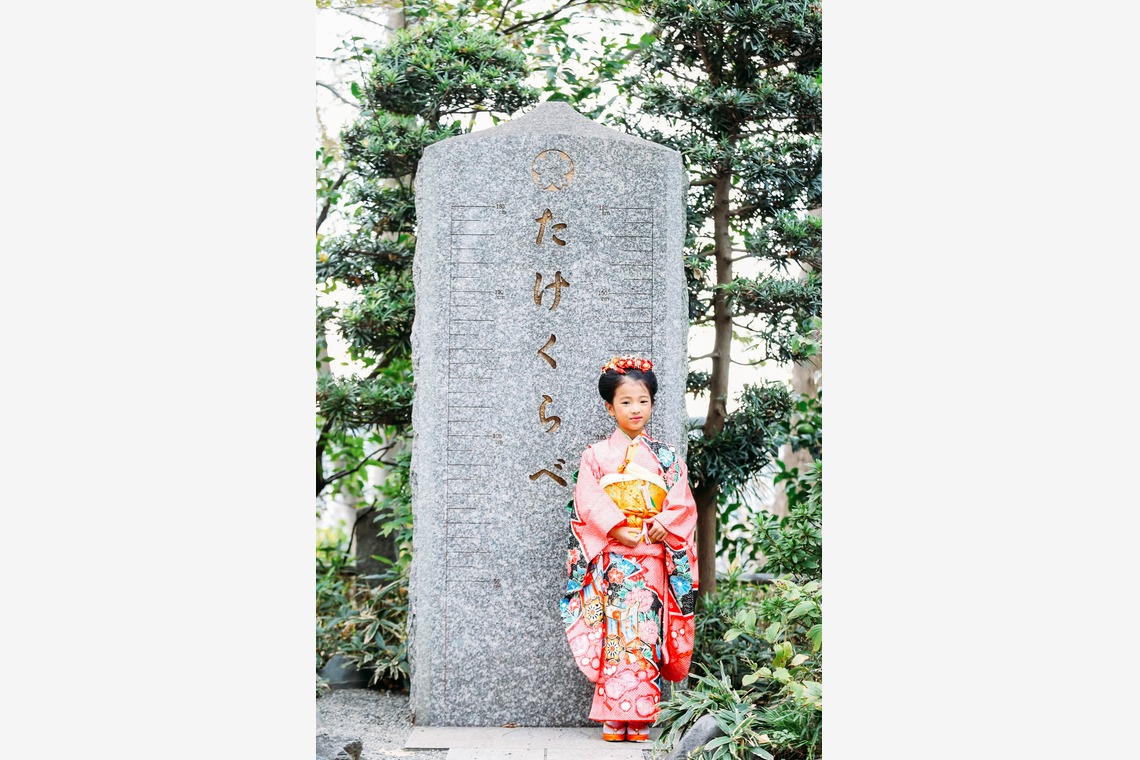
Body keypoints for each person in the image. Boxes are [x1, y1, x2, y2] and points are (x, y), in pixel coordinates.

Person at [560, 354, 698, 742]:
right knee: (617, 634)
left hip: (653, 557)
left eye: (643, 401)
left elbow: (682, 504)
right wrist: (617, 527)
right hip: (616, 558)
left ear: (652, 403)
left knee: (645, 633)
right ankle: (612, 712)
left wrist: (661, 525)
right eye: (626, 402)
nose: (635, 409)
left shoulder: (668, 458)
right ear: (610, 407)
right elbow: (587, 501)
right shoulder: (595, 456)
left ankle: (639, 715)